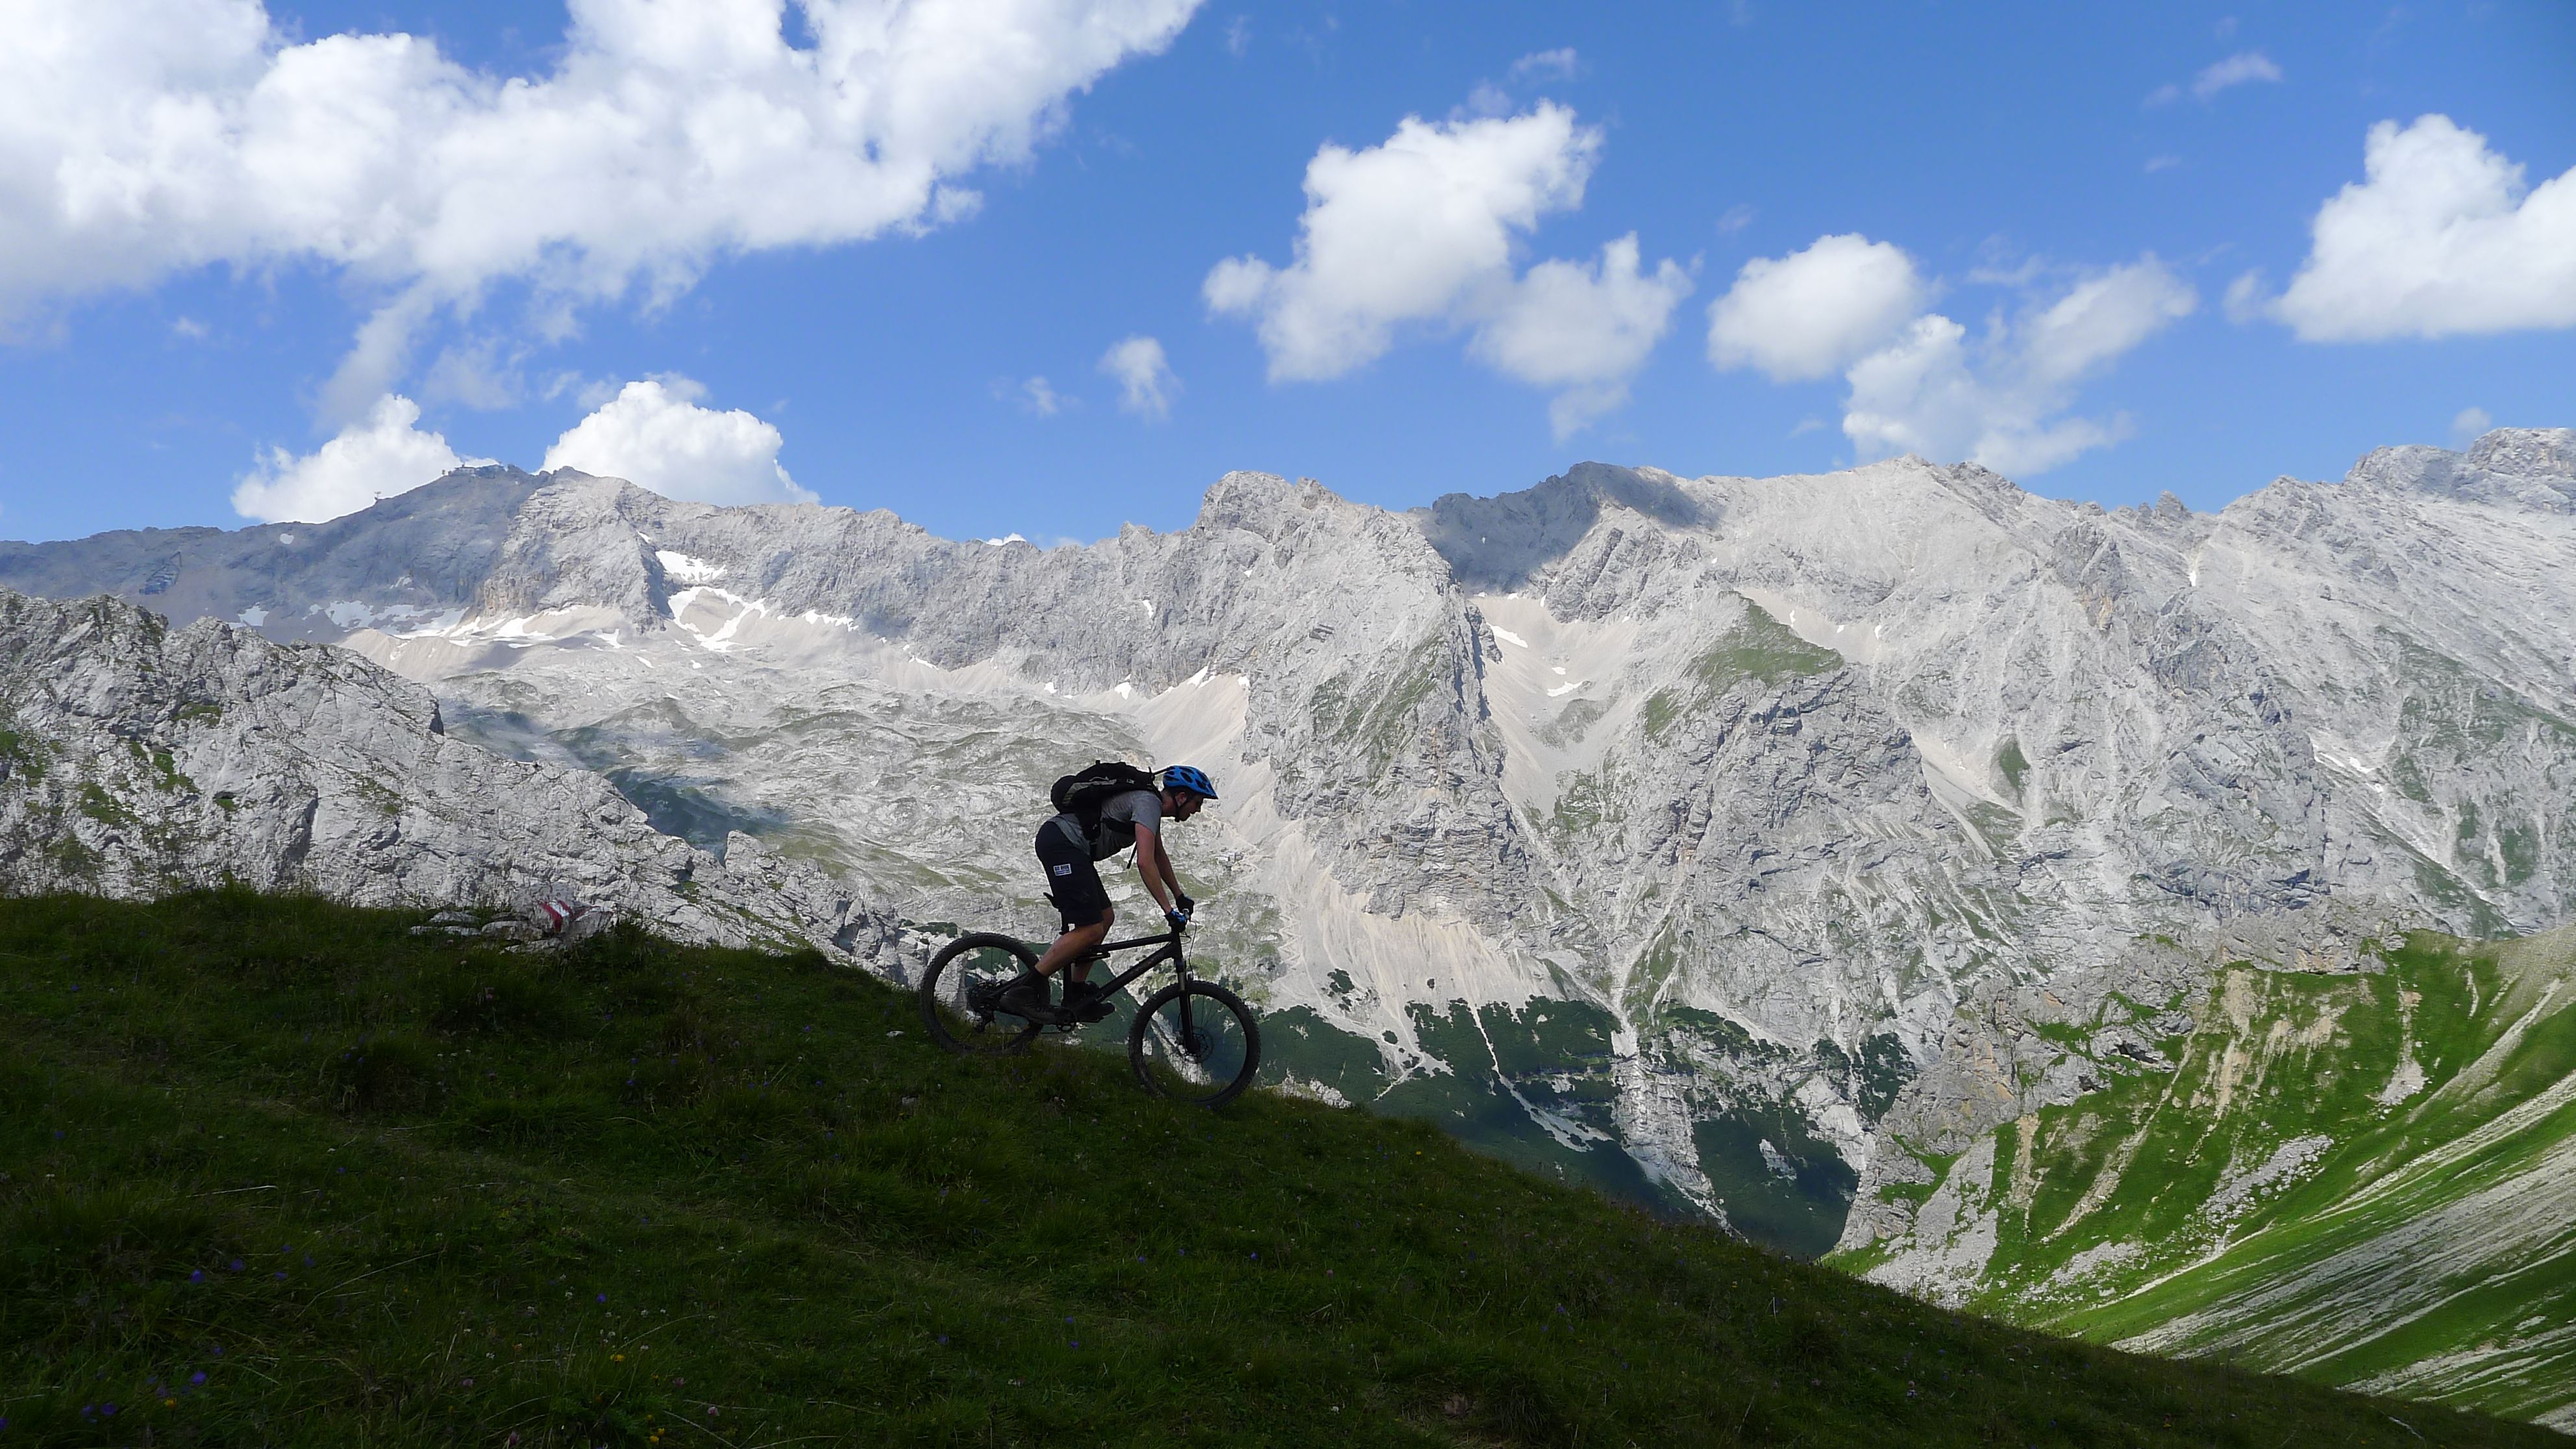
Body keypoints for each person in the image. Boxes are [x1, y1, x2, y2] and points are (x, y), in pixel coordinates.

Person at [1002, 764, 1218, 1024]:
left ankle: (1075, 994)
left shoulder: (1150, 807)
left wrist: (1180, 895)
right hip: (1061, 844)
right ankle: (1022, 991)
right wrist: (1168, 910)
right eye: (1197, 803)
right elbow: (1145, 863)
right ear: (1181, 797)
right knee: (1091, 928)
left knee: (1105, 917)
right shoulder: (1148, 802)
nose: (1198, 810)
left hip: (1071, 848)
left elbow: (1159, 857)